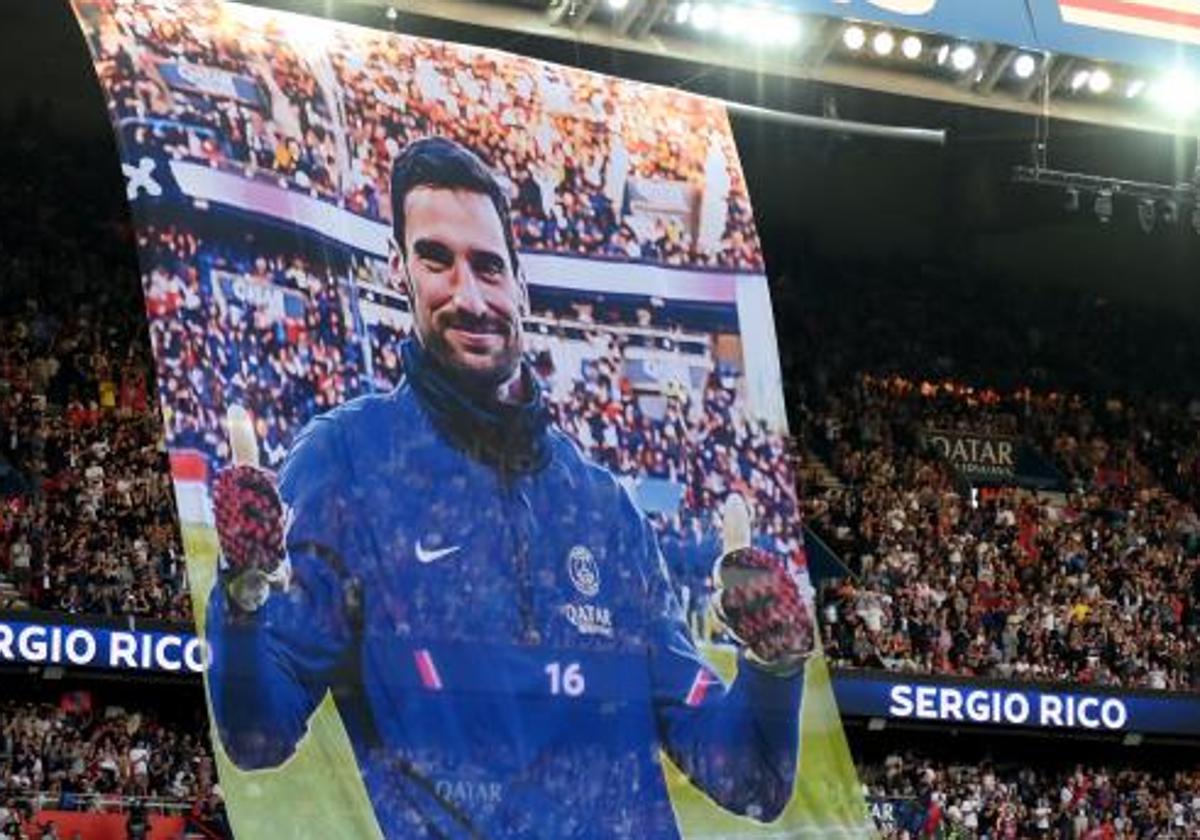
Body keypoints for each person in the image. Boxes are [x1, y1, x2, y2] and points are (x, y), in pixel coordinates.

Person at [206, 137, 814, 839]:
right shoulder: (347, 459)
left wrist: (772, 670)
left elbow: (750, 782)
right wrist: (243, 599)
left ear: (519, 286)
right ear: (402, 274)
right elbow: (259, 736)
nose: (468, 295)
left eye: (488, 266)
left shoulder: (602, 506)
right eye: (437, 259)